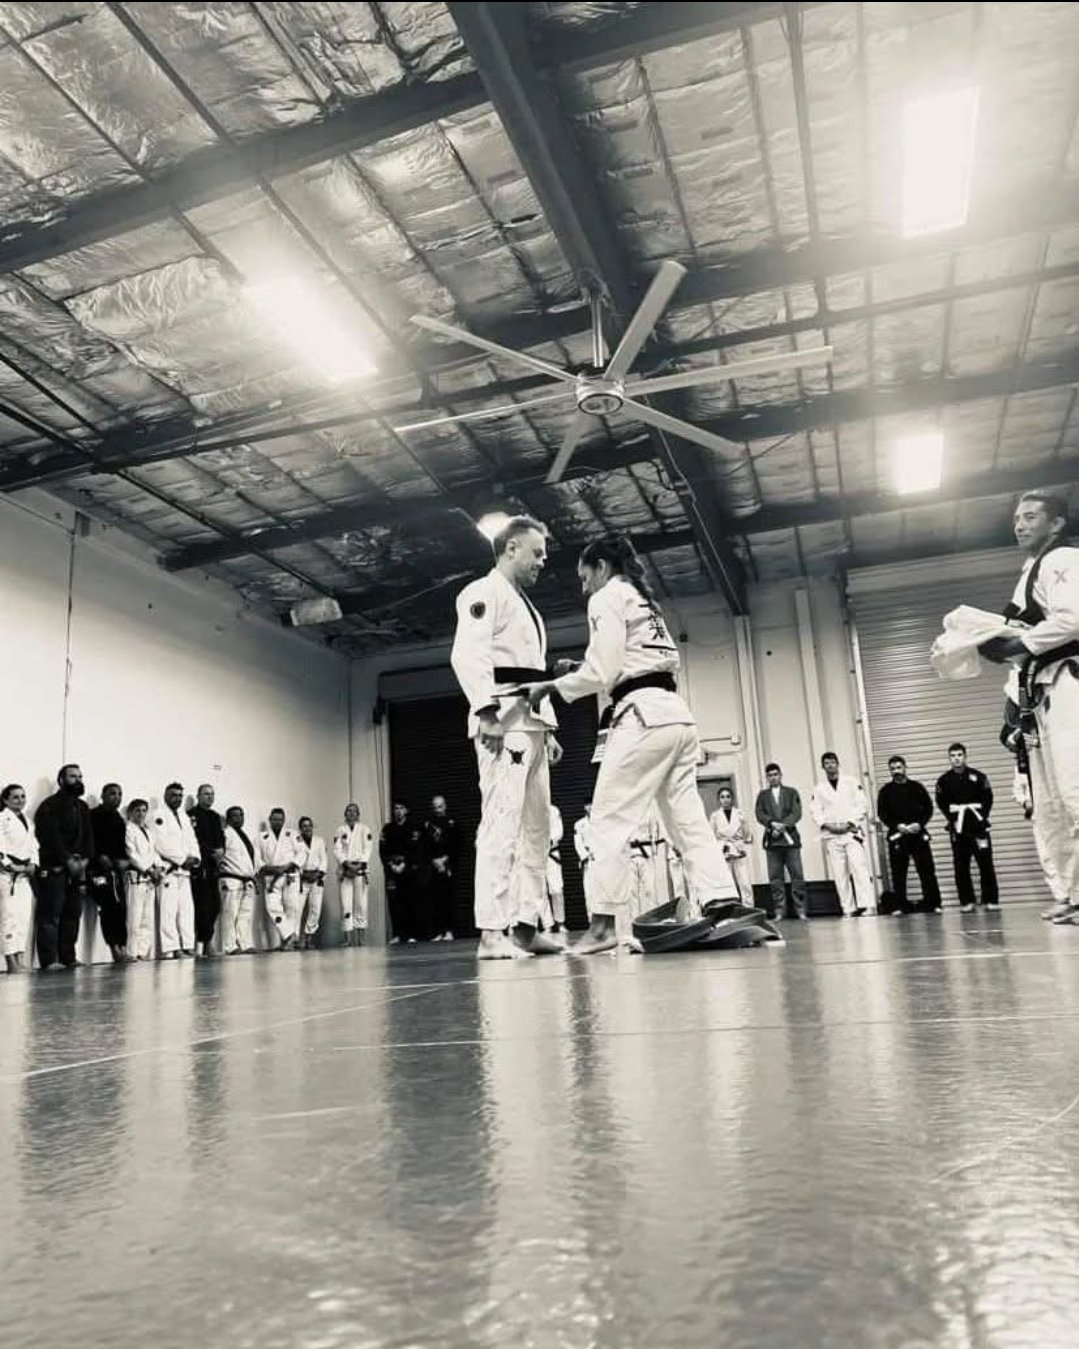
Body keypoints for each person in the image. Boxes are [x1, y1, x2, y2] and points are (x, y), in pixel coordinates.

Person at [520, 535, 740, 954]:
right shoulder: (643, 600)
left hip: (641, 718)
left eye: (585, 578)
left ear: (601, 567)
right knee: (687, 819)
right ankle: (720, 898)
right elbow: (626, 662)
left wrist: (552, 685)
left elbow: (605, 672)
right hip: (676, 716)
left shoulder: (605, 598)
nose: (584, 588)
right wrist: (577, 669)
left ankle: (602, 926)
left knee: (605, 820)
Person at [450, 514, 564, 959]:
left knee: (537, 830)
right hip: (503, 722)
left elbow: (532, 672)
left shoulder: (527, 606)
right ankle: (491, 932)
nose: (543, 561)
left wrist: (549, 726)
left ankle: (525, 925)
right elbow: (468, 656)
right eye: (537, 553)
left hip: (532, 723)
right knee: (501, 822)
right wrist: (486, 712)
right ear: (511, 548)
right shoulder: (482, 593)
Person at [980, 491, 1079, 923]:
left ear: (1055, 524)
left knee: (1075, 791)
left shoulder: (1062, 560)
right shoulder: (1031, 570)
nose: (1019, 524)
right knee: (1053, 801)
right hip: (1042, 686)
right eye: (1017, 518)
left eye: (1031, 517)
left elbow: (1073, 617)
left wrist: (1019, 643)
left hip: (1070, 681)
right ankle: (1073, 895)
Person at [34, 763, 95, 969]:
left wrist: (85, 860)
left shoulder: (83, 807)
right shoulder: (49, 805)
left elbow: (88, 838)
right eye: (72, 776)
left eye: (79, 776)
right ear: (61, 780)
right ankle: (49, 960)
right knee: (50, 914)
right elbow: (50, 837)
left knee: (72, 914)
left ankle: (68, 957)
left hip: (77, 869)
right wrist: (67, 860)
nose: (77, 780)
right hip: (55, 868)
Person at [809, 752, 874, 917]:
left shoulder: (851, 782)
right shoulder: (819, 788)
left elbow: (862, 804)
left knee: (859, 868)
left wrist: (851, 822)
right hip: (832, 834)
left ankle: (868, 905)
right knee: (840, 873)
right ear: (822, 767)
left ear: (838, 763)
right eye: (826, 763)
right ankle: (848, 908)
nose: (830, 765)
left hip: (850, 832)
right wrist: (826, 824)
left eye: (832, 762)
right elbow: (815, 809)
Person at [935, 744, 998, 912]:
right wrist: (952, 819)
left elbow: (988, 798)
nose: (957, 758)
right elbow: (941, 803)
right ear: (949, 758)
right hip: (958, 826)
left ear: (965, 756)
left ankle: (990, 899)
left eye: (960, 755)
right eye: (953, 755)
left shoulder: (979, 776)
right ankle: (966, 901)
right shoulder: (944, 780)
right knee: (961, 865)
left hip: (978, 825)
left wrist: (982, 816)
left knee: (985, 863)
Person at [876, 756, 941, 914]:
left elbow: (928, 808)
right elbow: (882, 813)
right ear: (890, 771)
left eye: (899, 767)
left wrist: (920, 823)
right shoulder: (885, 791)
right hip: (898, 835)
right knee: (898, 873)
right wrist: (896, 825)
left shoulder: (917, 787)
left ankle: (933, 903)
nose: (896, 771)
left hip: (917, 834)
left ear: (905, 767)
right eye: (893, 769)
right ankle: (900, 905)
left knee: (926, 870)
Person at [152, 783, 200, 958]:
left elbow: (192, 839)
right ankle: (171, 948)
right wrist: (182, 859)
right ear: (165, 795)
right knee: (168, 911)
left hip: (185, 872)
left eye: (180, 795)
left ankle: (188, 945)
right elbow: (161, 842)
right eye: (173, 795)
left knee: (187, 910)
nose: (177, 798)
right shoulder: (158, 815)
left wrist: (195, 858)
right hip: (170, 869)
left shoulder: (184, 816)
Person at [754, 764, 807, 920]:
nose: (773, 777)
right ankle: (779, 910)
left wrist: (783, 825)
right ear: (767, 777)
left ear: (781, 775)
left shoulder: (791, 792)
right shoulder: (762, 796)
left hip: (791, 841)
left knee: (797, 875)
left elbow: (796, 812)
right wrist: (771, 824)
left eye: (775, 774)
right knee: (775, 878)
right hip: (773, 841)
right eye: (770, 775)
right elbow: (759, 813)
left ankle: (801, 909)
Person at [89, 783, 129, 963]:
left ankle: (122, 945)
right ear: (102, 795)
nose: (117, 797)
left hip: (116, 871)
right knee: (109, 907)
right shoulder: (93, 816)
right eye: (112, 793)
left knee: (121, 908)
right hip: (98, 870)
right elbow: (89, 841)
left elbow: (122, 847)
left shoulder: (119, 819)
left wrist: (124, 861)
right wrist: (99, 857)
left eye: (120, 794)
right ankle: (114, 948)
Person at [0, 784, 38, 973]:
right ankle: (10, 962)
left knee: (23, 917)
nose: (20, 800)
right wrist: (10, 865)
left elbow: (34, 847)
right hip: (7, 875)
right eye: (15, 797)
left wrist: (33, 865)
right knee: (9, 917)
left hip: (24, 875)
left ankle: (20, 958)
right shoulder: (2, 819)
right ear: (5, 800)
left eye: (23, 796)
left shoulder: (28, 821)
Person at [188, 784, 225, 958]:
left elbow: (221, 839)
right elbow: (195, 840)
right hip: (200, 866)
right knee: (202, 907)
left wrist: (221, 851)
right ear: (198, 795)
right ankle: (201, 944)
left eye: (212, 794)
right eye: (206, 794)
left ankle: (207, 940)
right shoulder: (192, 815)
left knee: (215, 906)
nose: (209, 797)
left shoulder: (215, 817)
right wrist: (211, 852)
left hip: (213, 867)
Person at [258, 807, 301, 951]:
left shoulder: (292, 834)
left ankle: (287, 941)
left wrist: (287, 866)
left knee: (292, 907)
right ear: (270, 820)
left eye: (280, 819)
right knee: (272, 907)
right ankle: (290, 934)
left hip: (290, 875)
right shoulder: (261, 837)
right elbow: (257, 860)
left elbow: (302, 853)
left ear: (284, 820)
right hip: (272, 877)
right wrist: (274, 869)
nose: (277, 822)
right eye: (275, 819)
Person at [124, 799, 162, 961]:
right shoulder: (128, 830)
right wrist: (148, 869)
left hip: (150, 879)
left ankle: (143, 952)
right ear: (130, 813)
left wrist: (159, 868)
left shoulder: (148, 831)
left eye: (144, 810)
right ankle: (132, 952)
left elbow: (154, 853)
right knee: (134, 917)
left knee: (147, 918)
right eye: (137, 810)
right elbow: (131, 854)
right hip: (137, 877)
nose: (141, 814)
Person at [380, 802, 423, 943]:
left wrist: (405, 865)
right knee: (394, 904)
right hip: (392, 872)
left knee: (410, 903)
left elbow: (416, 850)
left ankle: (411, 935)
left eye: (401, 808)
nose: (398, 811)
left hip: (408, 871)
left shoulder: (413, 828)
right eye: (396, 809)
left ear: (406, 810)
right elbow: (383, 851)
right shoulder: (387, 829)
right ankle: (398, 934)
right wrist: (391, 864)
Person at [333, 803, 373, 947]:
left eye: (354, 811)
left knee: (361, 905)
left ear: (358, 814)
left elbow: (368, 850)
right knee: (346, 905)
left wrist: (359, 865)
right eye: (348, 811)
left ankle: (361, 939)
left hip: (360, 870)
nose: (351, 813)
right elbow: (337, 850)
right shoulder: (340, 830)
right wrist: (347, 864)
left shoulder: (365, 829)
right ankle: (348, 939)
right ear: (345, 813)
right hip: (346, 870)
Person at [219, 806, 257, 955]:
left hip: (247, 880)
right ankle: (229, 946)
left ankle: (245, 943)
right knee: (230, 913)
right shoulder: (225, 834)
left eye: (241, 815)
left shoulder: (243, 835)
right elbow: (219, 856)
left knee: (245, 914)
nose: (239, 818)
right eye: (235, 816)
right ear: (228, 819)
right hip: (231, 879)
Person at [423, 795, 460, 942]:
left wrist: (444, 860)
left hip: (448, 866)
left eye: (440, 806)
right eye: (435, 807)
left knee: (449, 900)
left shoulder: (453, 823)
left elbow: (457, 846)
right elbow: (424, 847)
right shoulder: (428, 824)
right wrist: (434, 861)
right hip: (433, 867)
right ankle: (439, 931)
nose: (437, 809)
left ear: (445, 806)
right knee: (435, 901)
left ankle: (449, 931)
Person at [709, 786, 754, 904]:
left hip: (739, 849)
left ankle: (748, 907)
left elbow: (747, 834)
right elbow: (712, 837)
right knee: (727, 883)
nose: (725, 799)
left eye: (728, 796)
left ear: (732, 798)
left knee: (745, 882)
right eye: (722, 797)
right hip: (724, 850)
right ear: (719, 800)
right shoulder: (715, 816)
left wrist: (743, 823)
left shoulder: (739, 814)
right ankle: (729, 909)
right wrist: (719, 847)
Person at [295, 815, 327, 949]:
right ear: (300, 828)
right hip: (302, 879)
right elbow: (294, 859)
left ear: (312, 827)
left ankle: (309, 938)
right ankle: (295, 939)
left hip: (316, 878)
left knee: (315, 909)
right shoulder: (296, 841)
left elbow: (324, 860)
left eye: (309, 825)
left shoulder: (319, 841)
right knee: (297, 909)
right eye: (304, 826)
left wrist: (318, 874)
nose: (307, 828)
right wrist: (302, 874)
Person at [543, 803, 566, 933]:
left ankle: (560, 922)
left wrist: (548, 842)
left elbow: (558, 831)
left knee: (556, 889)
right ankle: (547, 924)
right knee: (540, 892)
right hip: (535, 855)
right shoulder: (529, 810)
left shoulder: (553, 810)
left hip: (551, 852)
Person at [574, 804, 594, 917]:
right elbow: (578, 843)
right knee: (588, 891)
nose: (590, 807)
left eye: (591, 804)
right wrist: (584, 856)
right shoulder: (579, 824)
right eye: (587, 805)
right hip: (588, 859)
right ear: (584, 807)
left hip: (600, 858)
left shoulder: (601, 822)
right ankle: (591, 919)